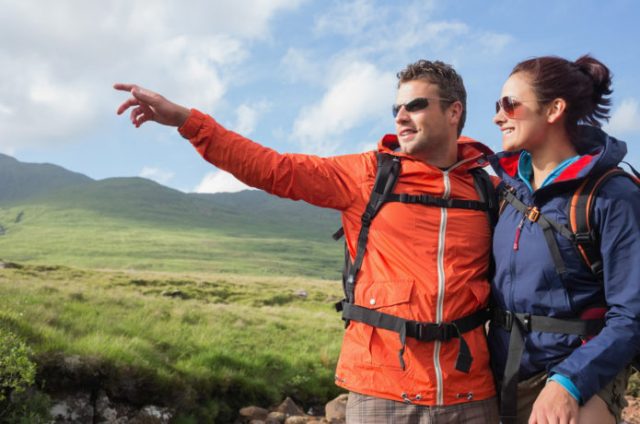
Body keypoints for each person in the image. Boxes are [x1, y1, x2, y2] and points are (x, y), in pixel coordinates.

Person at [115, 59, 500, 423]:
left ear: (454, 113)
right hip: (381, 390)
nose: (400, 116)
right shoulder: (365, 175)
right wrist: (186, 120)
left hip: (470, 394)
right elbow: (273, 168)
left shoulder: (492, 190)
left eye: (415, 105)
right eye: (395, 108)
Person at [488, 54, 640, 424]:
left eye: (510, 104)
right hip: (499, 376)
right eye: (497, 106)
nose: (497, 116)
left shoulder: (612, 196)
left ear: (555, 108)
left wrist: (569, 383)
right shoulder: (507, 193)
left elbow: (632, 315)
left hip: (578, 376)